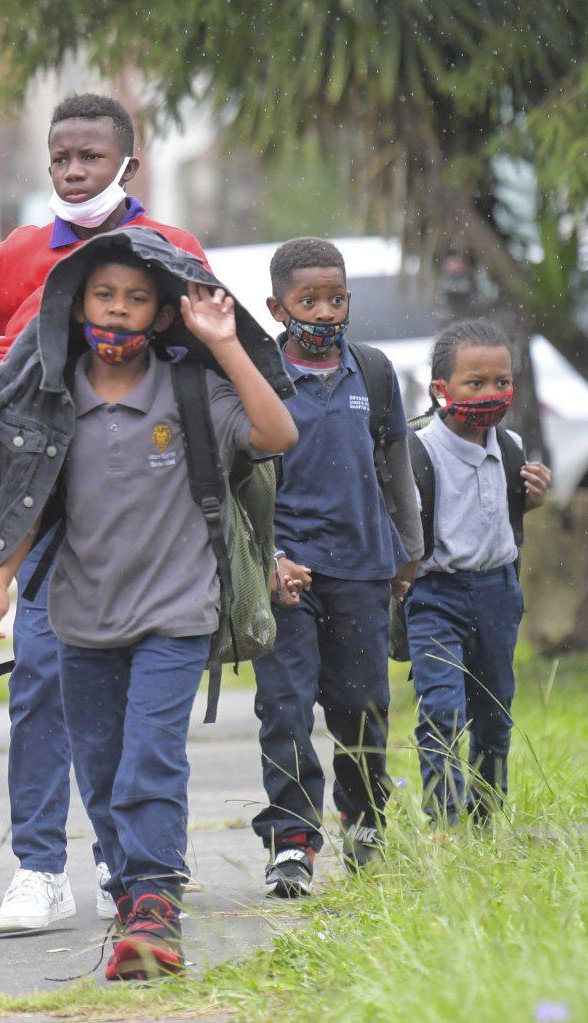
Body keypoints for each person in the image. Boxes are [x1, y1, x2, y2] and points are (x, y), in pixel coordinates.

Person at [0, 92, 212, 935]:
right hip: (45, 514)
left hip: (150, 521)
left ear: (130, 164)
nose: (74, 170)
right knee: (43, 687)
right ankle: (40, 865)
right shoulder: (19, 254)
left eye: (91, 156)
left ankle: (127, 864)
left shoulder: (174, 251)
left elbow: (218, 358)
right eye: (61, 158)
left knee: (135, 715)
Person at [0, 250, 297, 978]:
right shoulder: (53, 398)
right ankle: (130, 891)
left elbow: (276, 435)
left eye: (138, 297)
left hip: (176, 613)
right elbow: (28, 495)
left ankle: (154, 900)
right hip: (79, 618)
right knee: (103, 766)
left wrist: (223, 342)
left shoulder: (191, 389)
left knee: (151, 755)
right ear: (77, 307)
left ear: (161, 313)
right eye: (105, 294)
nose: (118, 308)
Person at [253, 238, 424, 899]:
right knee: (286, 708)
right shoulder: (260, 375)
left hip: (361, 570)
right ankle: (292, 841)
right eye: (308, 300)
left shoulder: (374, 373)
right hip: (287, 578)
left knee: (362, 706)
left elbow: (396, 469)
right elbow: (241, 482)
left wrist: (407, 555)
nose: (324, 312)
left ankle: (364, 822)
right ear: (277, 306)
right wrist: (267, 558)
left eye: (336, 298)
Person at [405, 318, 550, 824]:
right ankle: (444, 818)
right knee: (441, 709)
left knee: (494, 711)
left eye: (502, 382)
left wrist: (530, 499)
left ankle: (487, 815)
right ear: (440, 390)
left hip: (496, 592)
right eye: (476, 384)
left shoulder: (509, 446)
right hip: (435, 594)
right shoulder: (418, 450)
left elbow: (503, 520)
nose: (492, 393)